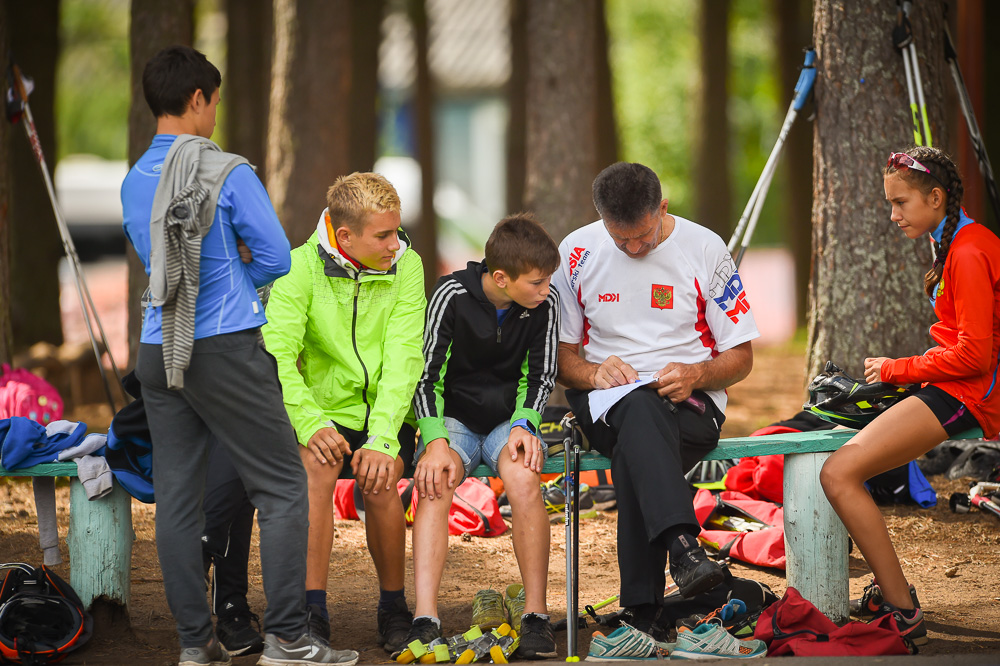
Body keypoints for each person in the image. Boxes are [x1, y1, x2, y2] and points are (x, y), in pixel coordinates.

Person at [123, 45, 358, 666]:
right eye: (215, 103)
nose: (215, 116)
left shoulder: (133, 179)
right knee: (282, 485)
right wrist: (238, 275)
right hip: (223, 344)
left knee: (176, 497)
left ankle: (195, 645)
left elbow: (158, 262)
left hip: (156, 345)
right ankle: (287, 638)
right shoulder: (227, 172)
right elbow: (278, 258)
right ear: (197, 100)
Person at [551, 162, 759, 646]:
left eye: (642, 237)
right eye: (620, 239)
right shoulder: (576, 251)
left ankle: (645, 609)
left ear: (662, 208)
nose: (632, 249)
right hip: (605, 400)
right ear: (600, 219)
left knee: (637, 439)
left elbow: (742, 356)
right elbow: (562, 359)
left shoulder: (705, 248)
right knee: (638, 411)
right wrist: (593, 372)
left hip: (692, 404)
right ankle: (683, 550)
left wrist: (696, 374)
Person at [820, 147, 1000, 646]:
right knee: (839, 465)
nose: (893, 215)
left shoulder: (966, 250)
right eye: (889, 203)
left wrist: (897, 369)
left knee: (838, 473)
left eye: (900, 203)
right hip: (953, 386)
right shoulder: (955, 240)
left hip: (968, 393)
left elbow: (976, 356)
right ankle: (894, 599)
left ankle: (900, 609)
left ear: (936, 198)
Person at [262, 172, 426, 654]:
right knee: (315, 468)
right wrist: (311, 422)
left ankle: (393, 606)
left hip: (386, 413)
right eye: (384, 235)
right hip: (321, 411)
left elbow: (404, 358)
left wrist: (382, 439)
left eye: (397, 231)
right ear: (345, 234)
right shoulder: (297, 268)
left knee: (381, 478)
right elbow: (278, 354)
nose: (396, 244)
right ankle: (312, 610)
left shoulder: (407, 265)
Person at [405, 215, 560, 658]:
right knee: (434, 482)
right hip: (451, 420)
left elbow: (541, 375)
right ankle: (425, 618)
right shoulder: (450, 295)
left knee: (525, 479)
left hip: (507, 422)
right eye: (536, 282)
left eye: (547, 280)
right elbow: (425, 376)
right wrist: (433, 440)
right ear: (500, 278)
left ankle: (534, 616)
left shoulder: (543, 306)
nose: (546, 289)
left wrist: (524, 423)